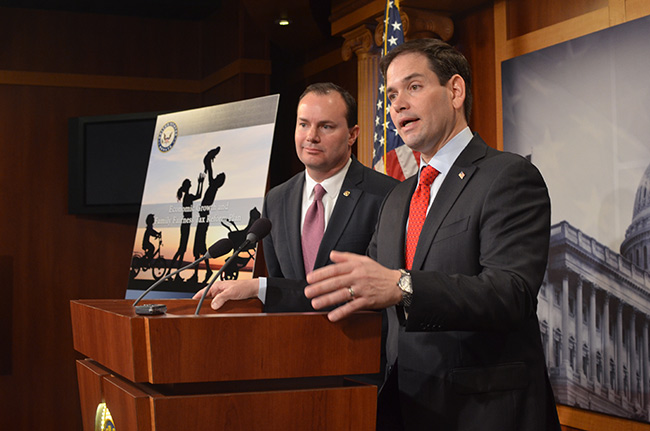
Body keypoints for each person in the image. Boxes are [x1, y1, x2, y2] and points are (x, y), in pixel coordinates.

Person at [304, 39, 561, 431]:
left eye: (414, 87)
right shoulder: (398, 197)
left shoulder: (507, 176)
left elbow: (511, 292)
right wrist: (260, 291)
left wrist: (403, 286)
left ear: (455, 91)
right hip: (404, 407)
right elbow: (354, 287)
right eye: (391, 95)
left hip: (481, 413)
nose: (398, 104)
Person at [194, 82, 398, 313]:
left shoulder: (387, 195)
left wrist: (260, 287)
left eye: (326, 127)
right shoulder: (276, 200)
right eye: (303, 124)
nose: (311, 136)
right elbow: (282, 285)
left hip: (362, 342)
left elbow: (382, 290)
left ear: (352, 135)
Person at [167, 174, 204, 279]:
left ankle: (174, 273)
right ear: (188, 186)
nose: (191, 185)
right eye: (190, 184)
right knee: (181, 250)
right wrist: (200, 183)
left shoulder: (186, 197)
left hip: (185, 224)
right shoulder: (188, 197)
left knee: (181, 250)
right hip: (185, 225)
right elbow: (199, 195)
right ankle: (171, 273)